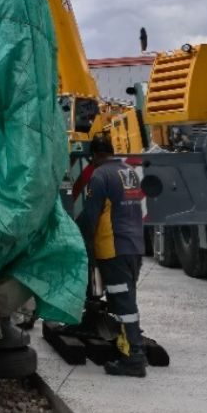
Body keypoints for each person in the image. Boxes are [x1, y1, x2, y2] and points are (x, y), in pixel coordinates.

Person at [76, 134, 147, 377]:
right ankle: (128, 345)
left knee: (122, 302)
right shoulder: (130, 173)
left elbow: (90, 216)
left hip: (113, 248)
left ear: (95, 155)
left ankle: (134, 357)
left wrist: (85, 246)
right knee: (128, 299)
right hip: (135, 246)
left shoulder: (100, 176)